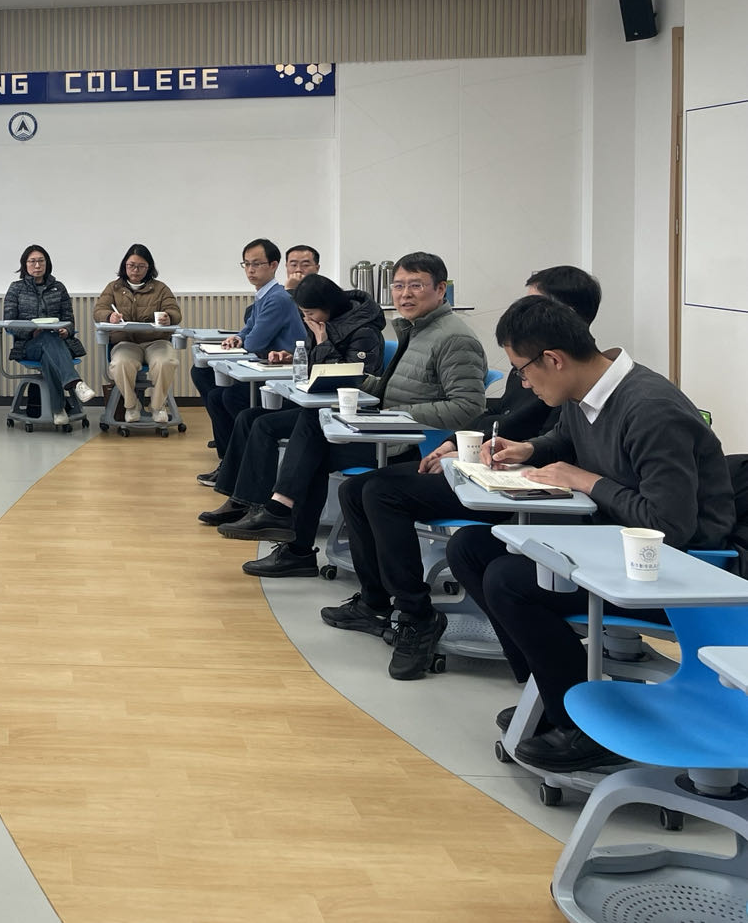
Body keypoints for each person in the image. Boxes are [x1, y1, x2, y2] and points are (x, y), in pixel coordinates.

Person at [447, 295, 734, 772]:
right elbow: (568, 439)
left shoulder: (651, 409)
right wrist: (530, 449)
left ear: (553, 359)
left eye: (523, 371)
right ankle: (554, 691)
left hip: (677, 575)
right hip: (612, 545)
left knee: (510, 581)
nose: (523, 383)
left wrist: (585, 481)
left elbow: (670, 526)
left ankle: (583, 727)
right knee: (472, 547)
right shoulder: (587, 391)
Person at [323, 267, 601, 680]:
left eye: (532, 304)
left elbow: (536, 431)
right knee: (358, 490)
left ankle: (416, 616)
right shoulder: (531, 360)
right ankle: (376, 601)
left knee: (382, 492)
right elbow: (506, 415)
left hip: (526, 487)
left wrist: (492, 448)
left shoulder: (562, 371)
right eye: (398, 285)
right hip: (496, 467)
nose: (520, 312)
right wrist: (460, 443)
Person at [219, 252, 486, 578]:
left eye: (415, 285)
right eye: (398, 286)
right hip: (387, 430)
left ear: (441, 289)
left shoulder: (453, 337)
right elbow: (390, 387)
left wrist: (394, 413)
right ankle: (291, 537)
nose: (404, 294)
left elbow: (468, 407)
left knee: (311, 434)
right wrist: (352, 379)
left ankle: (283, 520)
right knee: (311, 436)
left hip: (414, 445)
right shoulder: (416, 329)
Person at [199, 273, 387, 526]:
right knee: (248, 417)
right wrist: (292, 356)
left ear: (328, 306)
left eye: (310, 313)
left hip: (342, 412)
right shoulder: (322, 322)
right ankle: (240, 500)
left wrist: (322, 342)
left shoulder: (364, 331)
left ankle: (261, 507)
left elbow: (353, 379)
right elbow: (313, 366)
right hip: (318, 403)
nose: (307, 319)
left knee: (263, 424)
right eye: (303, 313)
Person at [193, 240, 305, 475]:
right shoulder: (265, 294)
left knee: (229, 396)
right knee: (212, 388)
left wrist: (245, 339)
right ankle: (230, 460)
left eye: (257, 264)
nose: (250, 270)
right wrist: (238, 337)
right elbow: (249, 329)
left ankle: (237, 461)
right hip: (267, 367)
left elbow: (255, 343)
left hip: (285, 374)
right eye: (246, 264)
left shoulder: (278, 298)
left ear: (273, 265)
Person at [2, 245, 95, 427]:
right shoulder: (16, 288)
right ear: (25, 264)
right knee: (45, 339)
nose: (37, 265)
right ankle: (75, 383)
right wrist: (31, 331)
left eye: (41, 261)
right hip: (29, 345)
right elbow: (9, 323)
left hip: (57, 342)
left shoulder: (58, 288)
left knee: (49, 352)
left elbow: (69, 320)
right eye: (32, 261)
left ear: (47, 263)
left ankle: (58, 410)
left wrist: (66, 330)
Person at [93, 244, 183, 425]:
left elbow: (175, 312)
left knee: (166, 362)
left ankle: (158, 406)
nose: (135, 270)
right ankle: (131, 405)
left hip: (156, 342)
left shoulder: (160, 288)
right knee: (120, 364)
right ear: (124, 266)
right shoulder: (113, 288)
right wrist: (109, 316)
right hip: (125, 343)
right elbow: (98, 311)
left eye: (141, 266)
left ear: (149, 267)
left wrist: (169, 317)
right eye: (131, 265)